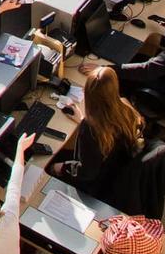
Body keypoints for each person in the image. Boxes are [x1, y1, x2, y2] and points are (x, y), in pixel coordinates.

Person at [52, 64, 147, 211]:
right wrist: (83, 119)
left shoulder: (91, 129)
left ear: (89, 94)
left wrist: (60, 167)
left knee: (52, 160)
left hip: (96, 183)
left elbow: (86, 172)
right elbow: (109, 129)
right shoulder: (127, 107)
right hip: (115, 171)